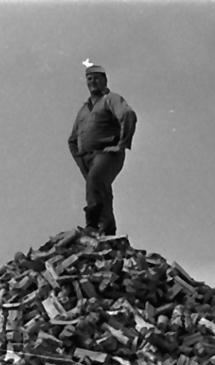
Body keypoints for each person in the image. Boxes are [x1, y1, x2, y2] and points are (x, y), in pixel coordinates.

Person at [68, 64, 137, 236]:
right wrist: (80, 160)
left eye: (97, 78)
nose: (93, 82)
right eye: (89, 79)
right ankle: (107, 231)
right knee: (99, 188)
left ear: (105, 80)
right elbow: (72, 140)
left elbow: (128, 115)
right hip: (87, 157)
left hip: (107, 153)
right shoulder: (83, 109)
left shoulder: (111, 99)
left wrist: (122, 144)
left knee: (95, 181)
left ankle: (92, 224)